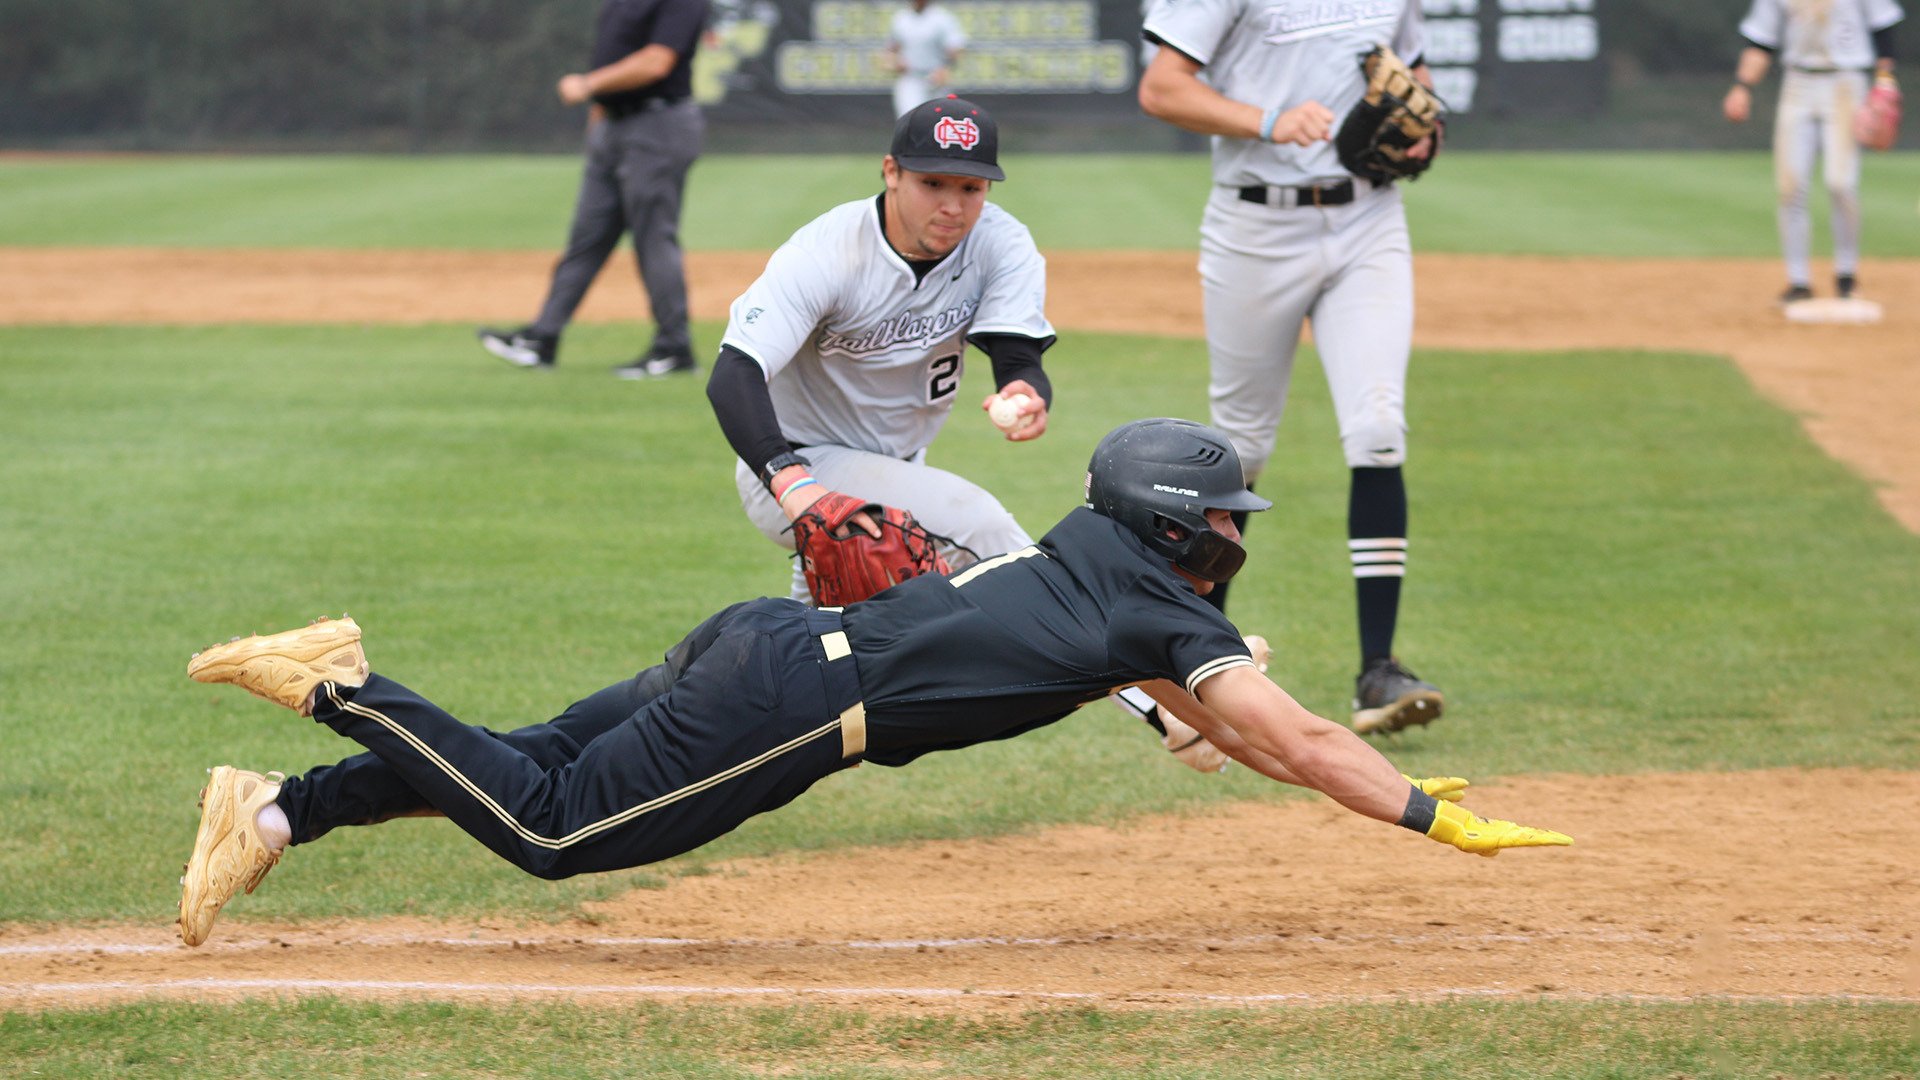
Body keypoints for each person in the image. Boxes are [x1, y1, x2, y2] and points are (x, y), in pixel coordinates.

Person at [175, 418, 1571, 947]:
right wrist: (1425, 821)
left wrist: (1386, 787)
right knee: (546, 827)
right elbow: (1298, 732)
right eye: (1223, 520)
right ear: (1168, 527)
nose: (1232, 537)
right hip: (785, 708)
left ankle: (278, 814)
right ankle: (341, 685)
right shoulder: (1154, 602)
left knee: (527, 750)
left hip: (762, 641)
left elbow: (1253, 741)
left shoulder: (1092, 553)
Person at [708, 94, 1232, 770]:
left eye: (970, 187)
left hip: (889, 476)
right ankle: (1168, 709)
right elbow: (734, 373)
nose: (952, 205)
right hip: (795, 470)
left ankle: (678, 738)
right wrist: (793, 487)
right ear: (891, 172)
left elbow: (1017, 355)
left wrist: (1024, 390)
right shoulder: (828, 252)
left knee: (810, 665)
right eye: (932, 183)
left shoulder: (999, 242)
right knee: (986, 529)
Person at [1137, 0, 1445, 736]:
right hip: (1255, 227)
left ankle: (1380, 671)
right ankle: (1204, 664)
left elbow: (1416, 75)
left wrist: (1425, 132)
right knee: (1238, 451)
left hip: (1369, 217)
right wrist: (1268, 119)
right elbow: (1162, 87)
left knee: (1377, 427)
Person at [478, 0, 709, 378]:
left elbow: (657, 61)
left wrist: (588, 85)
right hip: (612, 127)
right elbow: (611, 56)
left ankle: (674, 348)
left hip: (658, 125)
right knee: (586, 239)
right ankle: (541, 339)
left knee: (653, 238)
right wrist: (598, 124)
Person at [1723, 0, 1904, 303]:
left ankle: (1846, 275)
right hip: (1798, 84)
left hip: (1847, 81)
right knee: (1790, 188)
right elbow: (1759, 40)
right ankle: (1799, 281)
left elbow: (1884, 27)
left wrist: (1886, 79)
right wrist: (1742, 86)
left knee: (1841, 183)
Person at [887, 0, 968, 117]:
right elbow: (892, 48)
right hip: (910, 78)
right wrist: (895, 61)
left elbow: (955, 48)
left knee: (938, 120)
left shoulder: (942, 18)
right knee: (909, 119)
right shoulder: (901, 18)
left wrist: (946, 69)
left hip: (935, 78)